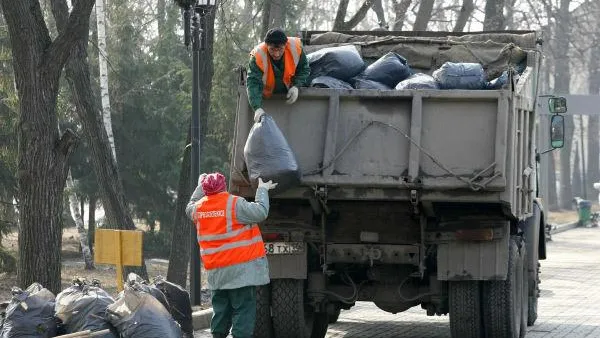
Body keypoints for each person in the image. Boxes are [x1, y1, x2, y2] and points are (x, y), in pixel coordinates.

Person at [186, 172, 278, 338]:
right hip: (240, 272)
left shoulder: (198, 209)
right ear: (224, 187)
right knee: (243, 310)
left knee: (220, 311)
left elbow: (189, 205)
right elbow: (261, 212)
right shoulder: (234, 204)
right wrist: (262, 189)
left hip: (216, 273)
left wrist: (200, 186)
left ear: (205, 190)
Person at [247, 27, 311, 122]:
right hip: (267, 96)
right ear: (266, 45)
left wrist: (296, 86)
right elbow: (253, 83)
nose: (276, 54)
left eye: (280, 49)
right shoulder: (257, 56)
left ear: (285, 45)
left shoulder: (295, 48)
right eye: (272, 49)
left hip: (289, 92)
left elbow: (304, 70)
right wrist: (257, 108)